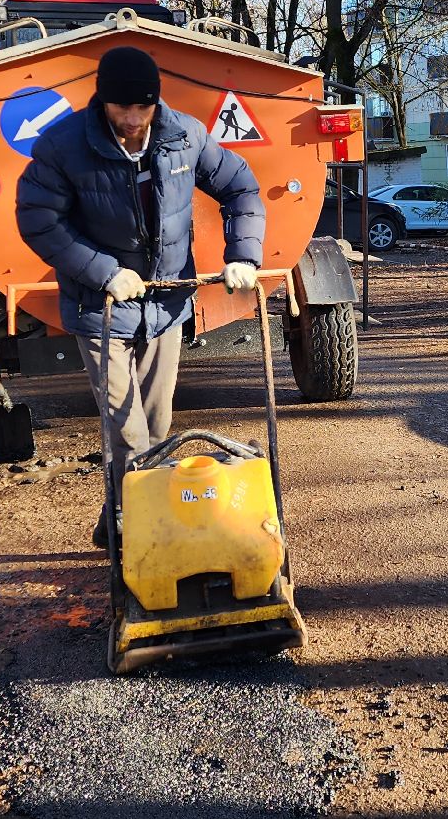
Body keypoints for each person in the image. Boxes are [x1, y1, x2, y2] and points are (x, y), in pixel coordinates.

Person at [16, 45, 265, 547]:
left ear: (157, 102)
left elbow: (241, 187)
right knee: (128, 433)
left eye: (142, 108)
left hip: (167, 306)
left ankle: (123, 523)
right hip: (101, 310)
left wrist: (244, 255)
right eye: (120, 108)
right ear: (101, 102)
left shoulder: (185, 137)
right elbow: (38, 219)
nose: (131, 119)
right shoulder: (64, 148)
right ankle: (143, 539)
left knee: (158, 423)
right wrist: (104, 272)